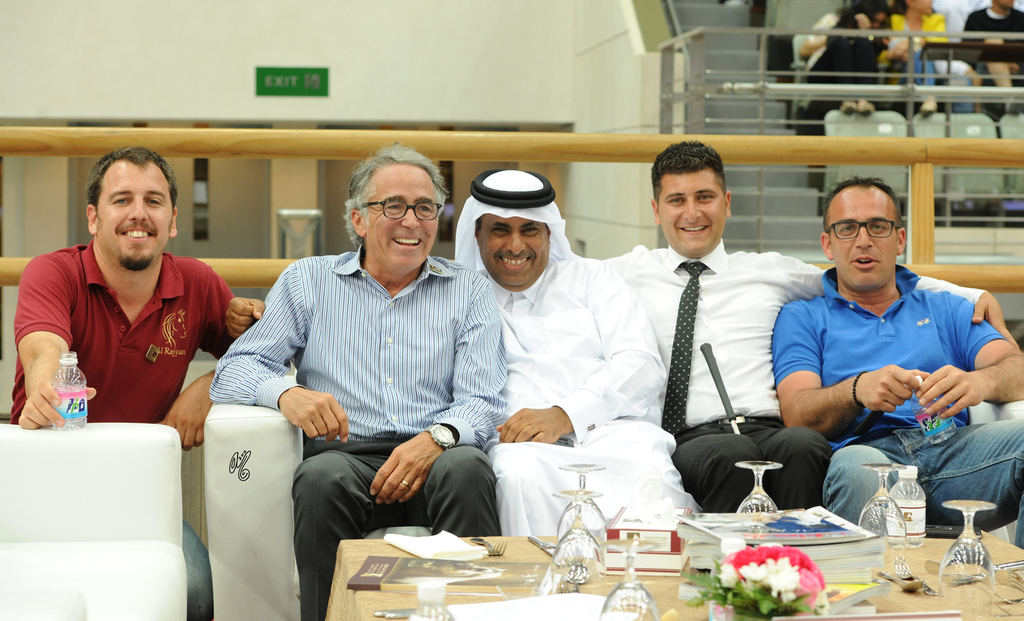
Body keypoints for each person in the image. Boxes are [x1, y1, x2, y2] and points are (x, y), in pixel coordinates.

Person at [607, 140, 1008, 514]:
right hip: (695, 434)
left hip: (769, 427)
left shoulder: (773, 273)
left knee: (802, 445)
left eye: (705, 197)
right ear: (657, 210)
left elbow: (857, 277)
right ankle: (737, 576)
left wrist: (969, 295)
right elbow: (562, 279)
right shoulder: (620, 274)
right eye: (677, 200)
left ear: (727, 203)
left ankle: (804, 569)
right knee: (731, 454)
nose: (692, 213)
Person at [209, 144, 506, 621]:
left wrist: (435, 439)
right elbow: (234, 370)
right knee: (319, 479)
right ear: (359, 219)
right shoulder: (308, 281)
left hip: (435, 455)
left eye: (425, 207)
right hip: (345, 459)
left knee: (469, 470)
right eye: (393, 206)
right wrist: (286, 393)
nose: (412, 221)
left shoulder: (468, 290)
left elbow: (484, 401)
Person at [11, 146, 259, 621]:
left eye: (153, 200)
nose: (138, 214)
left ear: (172, 220)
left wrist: (206, 387)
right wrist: (46, 387)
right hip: (45, 487)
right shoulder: (53, 272)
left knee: (199, 592)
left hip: (142, 494)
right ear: (93, 217)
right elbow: (43, 347)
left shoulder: (198, 283)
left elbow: (260, 359)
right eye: (121, 199)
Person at [773, 176, 1024, 545]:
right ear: (828, 244)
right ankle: (878, 597)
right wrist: (856, 390)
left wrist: (979, 382)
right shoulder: (803, 316)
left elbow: (1016, 367)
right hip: (867, 456)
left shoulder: (946, 307)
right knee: (856, 470)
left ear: (900, 239)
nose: (863, 240)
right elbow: (796, 413)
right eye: (847, 228)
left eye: (878, 226)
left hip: (955, 451)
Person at [453, 169, 699, 536]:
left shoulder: (592, 279)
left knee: (650, 472)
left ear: (550, 232)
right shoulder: (460, 298)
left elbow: (640, 366)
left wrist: (564, 415)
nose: (516, 245)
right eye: (500, 230)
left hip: (612, 433)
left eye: (530, 229)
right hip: (519, 445)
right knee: (515, 476)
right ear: (477, 233)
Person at [798, 0, 891, 115]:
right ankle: (848, 99)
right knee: (841, 43)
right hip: (825, 72)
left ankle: (863, 100)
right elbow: (804, 50)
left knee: (863, 42)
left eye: (879, 22)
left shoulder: (877, 32)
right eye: (873, 20)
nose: (876, 24)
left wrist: (868, 34)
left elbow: (874, 60)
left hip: (856, 77)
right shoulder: (832, 20)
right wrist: (837, 37)